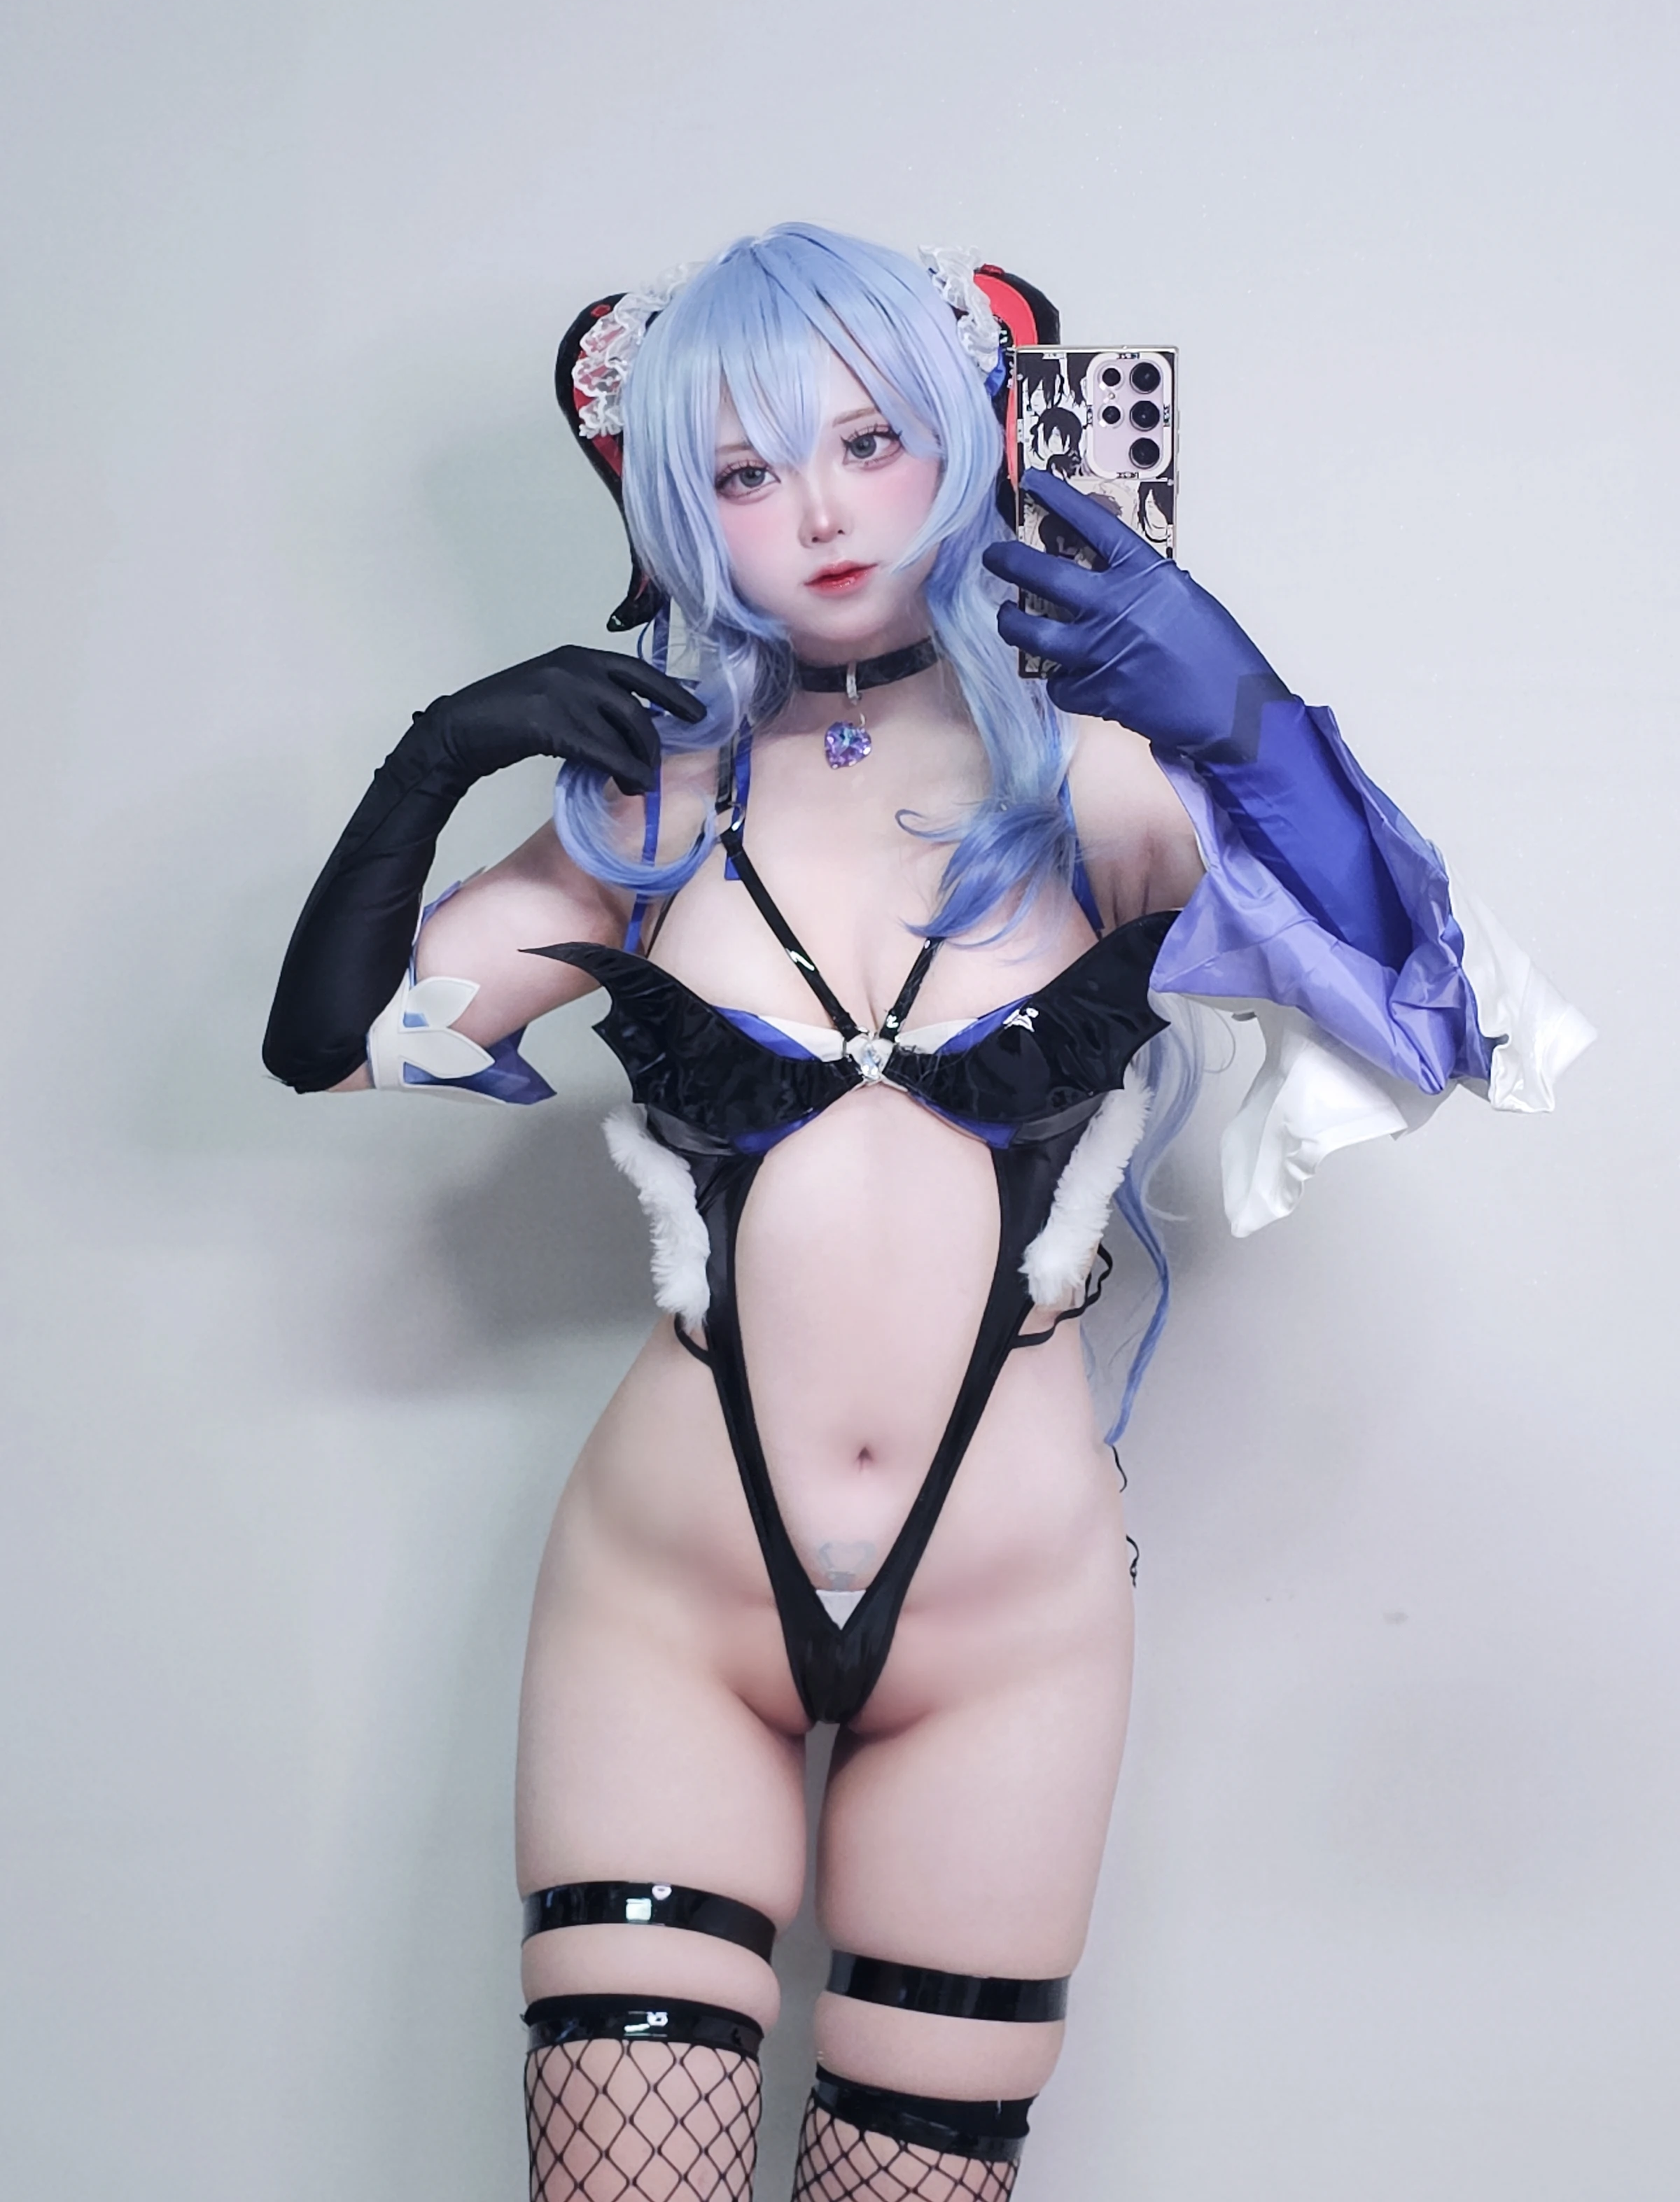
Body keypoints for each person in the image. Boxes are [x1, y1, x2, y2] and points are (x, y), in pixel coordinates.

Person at [262, 225, 1591, 2201]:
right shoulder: (652, 808)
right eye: (742, 468)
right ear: (668, 500)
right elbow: (330, 1043)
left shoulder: (1101, 786)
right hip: (667, 1604)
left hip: (1010, 1632)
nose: (815, 511)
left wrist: (1239, 708)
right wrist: (437, 756)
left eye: (868, 442)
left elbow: (1434, 998)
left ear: (973, 439)